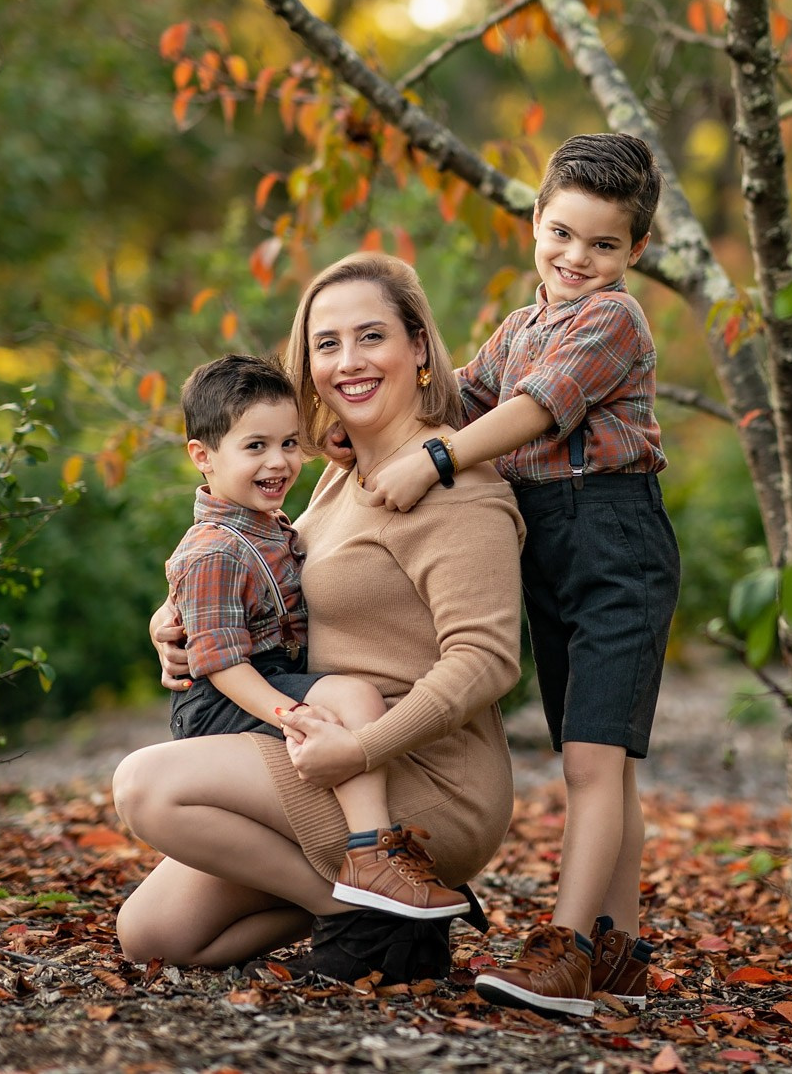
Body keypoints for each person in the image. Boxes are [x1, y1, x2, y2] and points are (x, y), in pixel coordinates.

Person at [114, 253, 525, 969]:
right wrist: (173, 615)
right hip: (323, 743)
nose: (348, 361)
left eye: (371, 336)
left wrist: (361, 748)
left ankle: (377, 903)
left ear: (418, 346)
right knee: (154, 935)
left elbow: (486, 662)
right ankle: (378, 911)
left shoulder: (460, 492)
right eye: (326, 343)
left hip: (418, 778)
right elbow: (267, 571)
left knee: (146, 785)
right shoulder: (340, 475)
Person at [359, 133, 679, 1019]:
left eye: (603, 244)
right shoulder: (522, 325)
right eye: (562, 233)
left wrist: (436, 457)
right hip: (553, 547)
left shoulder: (615, 319)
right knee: (603, 759)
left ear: (636, 249)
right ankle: (618, 947)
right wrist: (377, 396)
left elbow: (536, 409)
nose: (577, 257)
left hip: (615, 542)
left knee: (592, 761)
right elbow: (462, 394)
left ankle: (566, 949)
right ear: (536, 221)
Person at [162, 353, 466, 920]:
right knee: (350, 698)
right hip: (225, 701)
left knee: (342, 701)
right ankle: (373, 855)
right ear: (202, 456)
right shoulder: (212, 550)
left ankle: (363, 889)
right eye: (255, 446)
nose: (278, 462)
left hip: (264, 682)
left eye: (288, 443)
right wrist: (292, 715)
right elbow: (223, 666)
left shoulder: (269, 526)